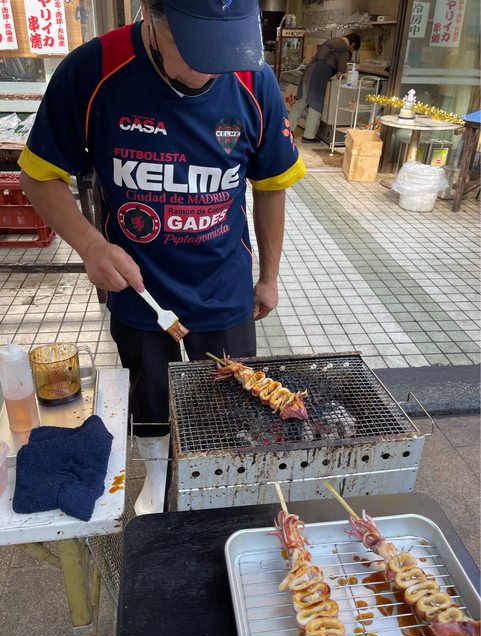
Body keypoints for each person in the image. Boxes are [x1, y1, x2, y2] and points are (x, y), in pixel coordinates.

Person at [18, 0, 306, 511]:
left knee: (232, 400)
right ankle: (155, 479)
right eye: (194, 48)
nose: (209, 69)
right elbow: (38, 176)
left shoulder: (253, 79)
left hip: (223, 284)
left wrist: (269, 276)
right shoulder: (93, 70)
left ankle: (220, 489)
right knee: (149, 396)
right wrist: (90, 245)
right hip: (137, 286)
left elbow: (271, 184)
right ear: (151, 15)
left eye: (224, 50)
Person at [288, 32, 361, 143]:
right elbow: (340, 74)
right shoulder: (344, 49)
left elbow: (314, 56)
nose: (351, 51)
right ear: (353, 44)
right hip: (319, 76)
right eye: (353, 49)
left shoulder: (331, 41)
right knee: (315, 105)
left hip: (309, 72)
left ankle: (287, 131)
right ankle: (309, 136)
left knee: (301, 103)